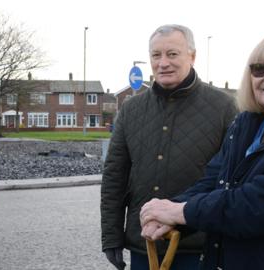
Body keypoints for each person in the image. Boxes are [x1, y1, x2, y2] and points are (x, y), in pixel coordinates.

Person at [139, 31, 264, 270]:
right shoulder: (247, 124)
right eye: (259, 69)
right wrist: (173, 216)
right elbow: (214, 181)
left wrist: (180, 211)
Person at [101, 24, 237, 270]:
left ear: (192, 56)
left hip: (199, 247)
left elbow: (232, 178)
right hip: (145, 244)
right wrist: (111, 236)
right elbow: (114, 176)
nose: (163, 63)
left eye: (172, 54)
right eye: (156, 55)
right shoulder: (131, 110)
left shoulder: (224, 108)